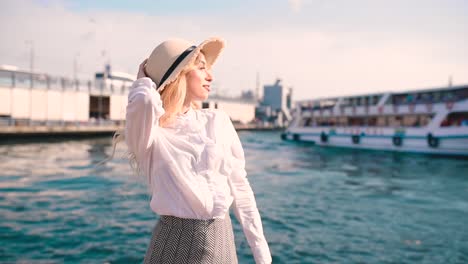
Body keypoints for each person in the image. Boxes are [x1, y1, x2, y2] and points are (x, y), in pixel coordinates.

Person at [122, 37, 272, 264]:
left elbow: (240, 189)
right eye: (201, 68)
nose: (210, 76)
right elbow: (142, 103)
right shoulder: (152, 132)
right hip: (173, 249)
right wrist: (144, 80)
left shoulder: (217, 120)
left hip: (224, 244)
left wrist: (261, 253)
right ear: (179, 75)